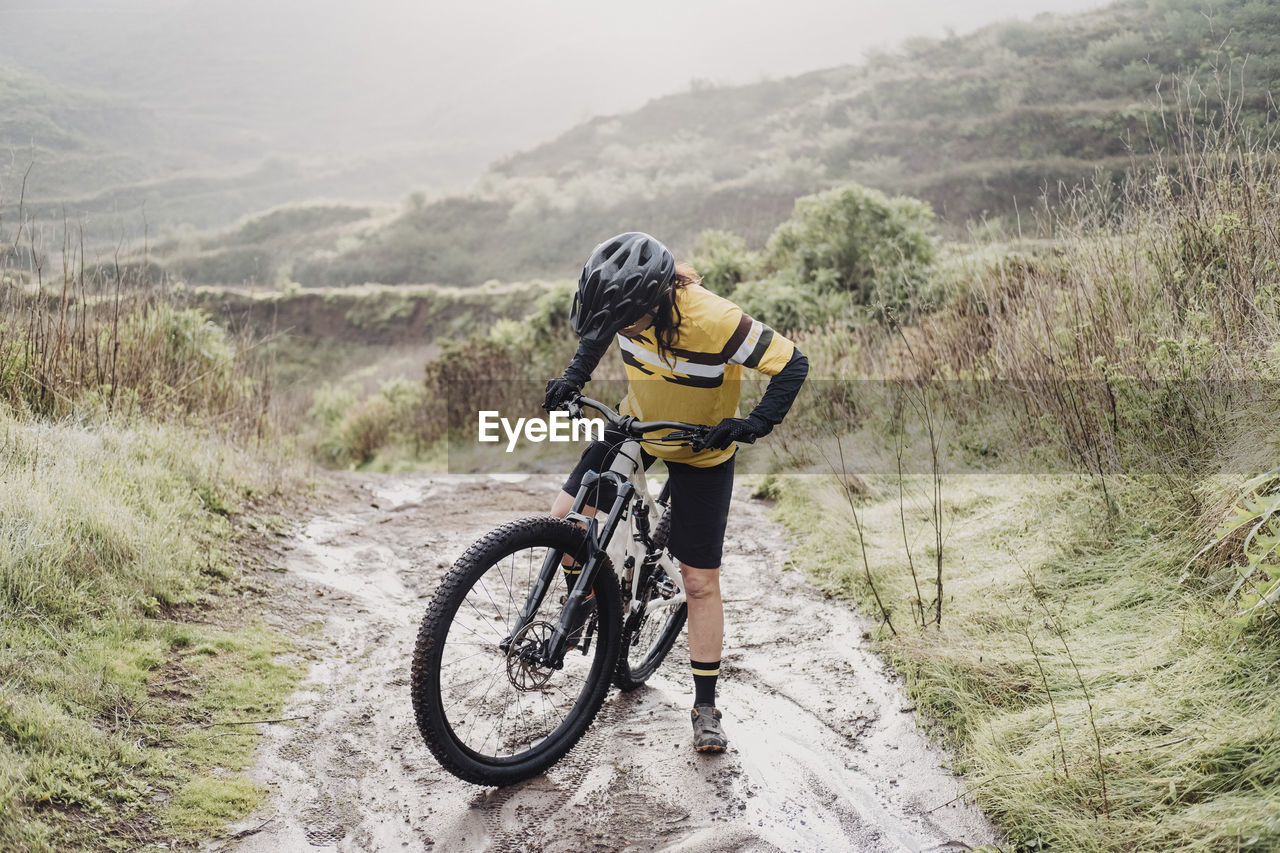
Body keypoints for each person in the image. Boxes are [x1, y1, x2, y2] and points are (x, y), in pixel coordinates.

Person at [543, 231, 809, 753]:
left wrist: (751, 425)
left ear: (653, 300)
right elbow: (599, 331)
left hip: (701, 450)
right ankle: (598, 602)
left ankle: (705, 707)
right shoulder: (623, 312)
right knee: (566, 521)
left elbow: (792, 364)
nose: (617, 329)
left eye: (625, 320)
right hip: (640, 426)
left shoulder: (713, 319)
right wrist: (574, 376)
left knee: (699, 582)